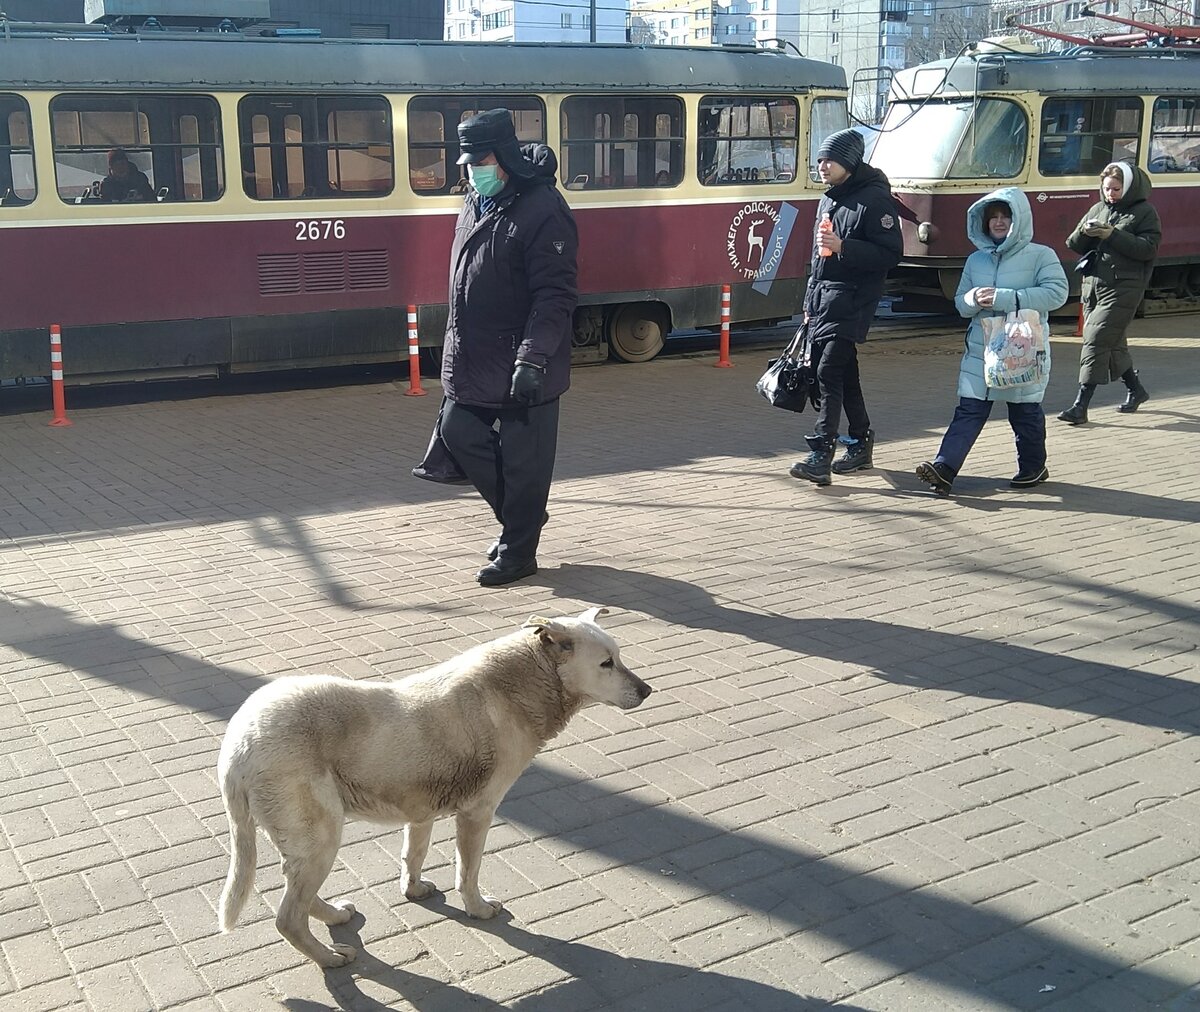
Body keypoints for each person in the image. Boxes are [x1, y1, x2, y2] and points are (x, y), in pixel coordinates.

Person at [438, 109, 579, 587]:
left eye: (480, 160)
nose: (471, 169)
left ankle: (519, 552)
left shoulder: (543, 208)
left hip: (524, 362)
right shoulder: (477, 199)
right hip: (475, 356)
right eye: (468, 161)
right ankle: (523, 520)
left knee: (525, 464)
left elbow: (554, 294)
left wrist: (532, 357)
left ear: (505, 158)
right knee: (459, 431)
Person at [915, 189, 1068, 495]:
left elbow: (1057, 294)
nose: (998, 223)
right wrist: (973, 298)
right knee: (969, 409)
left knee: (1024, 413)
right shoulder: (975, 260)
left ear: (1019, 219)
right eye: (993, 218)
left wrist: (1006, 298)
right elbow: (960, 303)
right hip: (981, 350)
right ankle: (944, 467)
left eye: (1005, 216)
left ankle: (1033, 467)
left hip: (1022, 349)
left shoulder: (1041, 255)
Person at [789, 129, 903, 486]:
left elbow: (891, 252)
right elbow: (817, 258)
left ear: (849, 162)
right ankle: (859, 442)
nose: (822, 166)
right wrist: (809, 304)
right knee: (845, 374)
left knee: (828, 374)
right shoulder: (829, 200)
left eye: (830, 160)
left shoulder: (874, 200)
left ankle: (821, 454)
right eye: (820, 159)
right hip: (824, 301)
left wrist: (844, 247)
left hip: (854, 301)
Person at [1057, 161, 1161, 424]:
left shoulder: (1145, 212)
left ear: (1128, 188)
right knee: (1111, 343)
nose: (1110, 194)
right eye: (1106, 189)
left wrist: (1112, 234)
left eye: (1115, 189)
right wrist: (1084, 231)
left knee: (1096, 338)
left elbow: (1147, 249)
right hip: (1094, 286)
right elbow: (1073, 244)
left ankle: (1080, 406)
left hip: (1124, 287)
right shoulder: (1098, 208)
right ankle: (1136, 390)